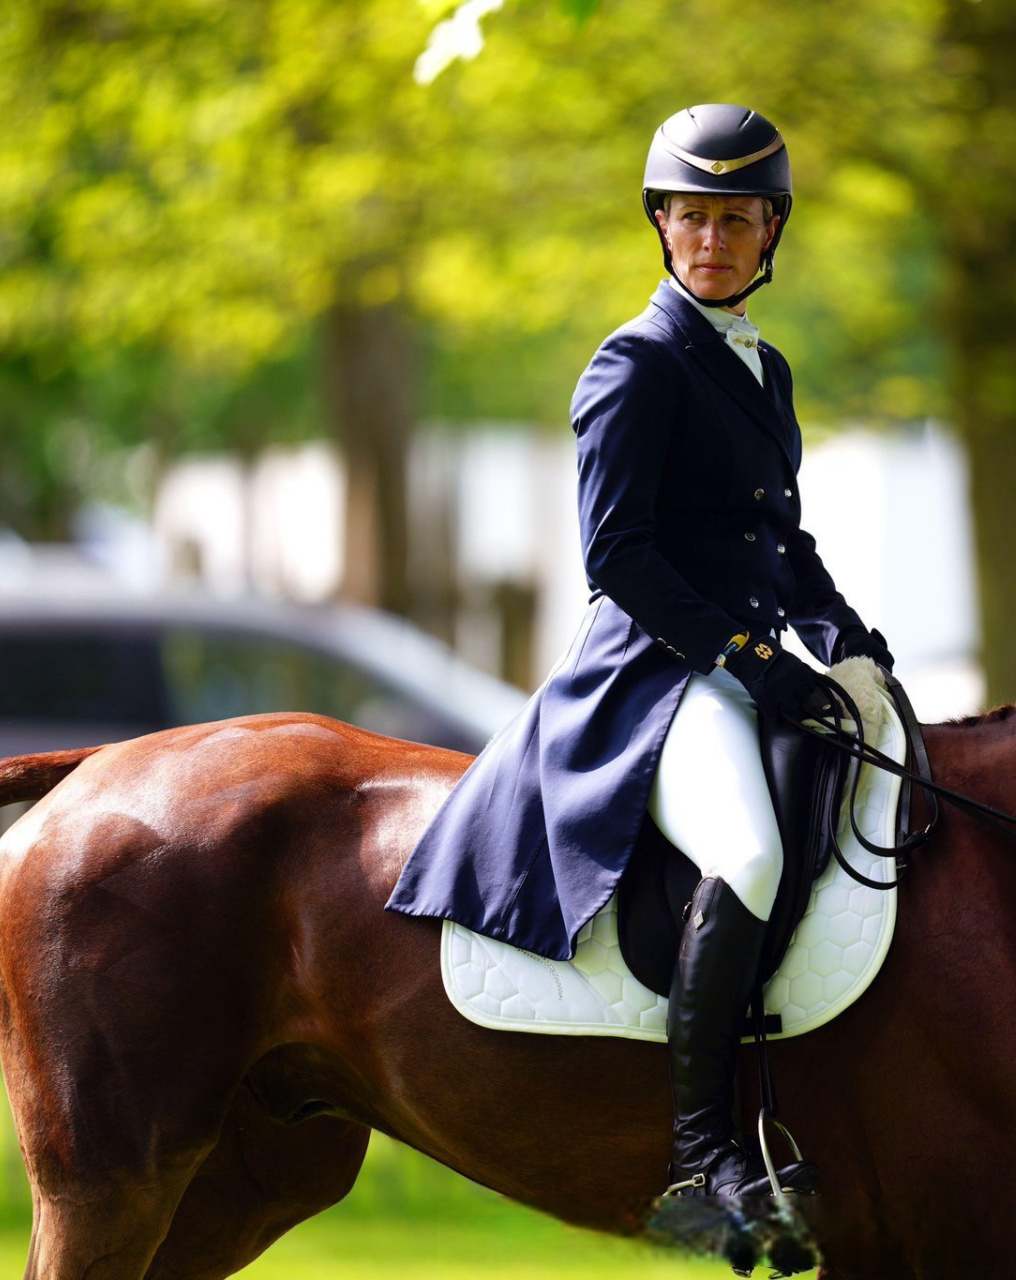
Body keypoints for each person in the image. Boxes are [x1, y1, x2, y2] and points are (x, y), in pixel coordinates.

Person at [386, 104, 895, 1206]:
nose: (711, 240)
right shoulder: (639, 361)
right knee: (751, 856)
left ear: (771, 232)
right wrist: (759, 662)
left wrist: (848, 637)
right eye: (690, 218)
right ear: (661, 227)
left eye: (734, 220)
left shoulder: (766, 370)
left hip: (739, 660)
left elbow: (778, 541)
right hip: (660, 677)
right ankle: (700, 1156)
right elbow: (619, 555)